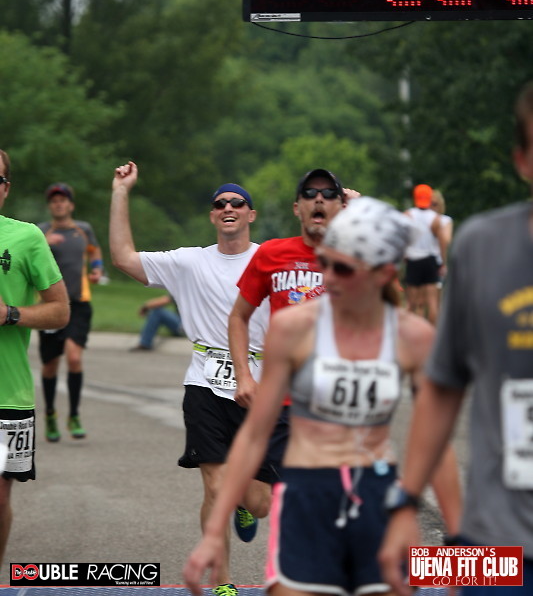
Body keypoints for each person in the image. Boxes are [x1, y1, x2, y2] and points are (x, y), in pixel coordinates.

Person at [183, 196, 461, 596]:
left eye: (342, 268)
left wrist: (456, 538)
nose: (327, 278)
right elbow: (255, 434)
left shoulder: (412, 337)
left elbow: (436, 442)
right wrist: (213, 532)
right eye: (325, 263)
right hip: (305, 497)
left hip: (376, 499)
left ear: (383, 274)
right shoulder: (294, 328)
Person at [379, 81, 533, 596]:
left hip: (422, 266)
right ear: (522, 160)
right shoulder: (483, 245)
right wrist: (405, 504)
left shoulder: (418, 217)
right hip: (501, 547)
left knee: (423, 301)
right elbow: (443, 387)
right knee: (426, 305)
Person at [110, 162, 288, 596]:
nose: (228, 208)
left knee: (259, 504)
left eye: (237, 203)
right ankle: (222, 583)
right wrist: (120, 192)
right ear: (212, 215)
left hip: (260, 387)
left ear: (250, 214)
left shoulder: (270, 259)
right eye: (220, 203)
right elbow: (124, 258)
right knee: (215, 486)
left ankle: (244, 503)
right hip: (205, 383)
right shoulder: (190, 261)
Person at [229, 168, 359, 409]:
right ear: (297, 209)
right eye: (309, 193)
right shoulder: (271, 253)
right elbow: (238, 316)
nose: (318, 199)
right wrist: (243, 376)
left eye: (329, 194)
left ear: (342, 208)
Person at [0, 150, 70, 567]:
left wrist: (10, 314)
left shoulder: (26, 237)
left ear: (6, 189)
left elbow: (60, 311)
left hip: (8, 394)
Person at [38, 182, 103, 442]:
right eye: (54, 201)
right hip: (49, 305)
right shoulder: (41, 231)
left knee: (74, 358)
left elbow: (95, 251)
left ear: (71, 205)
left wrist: (97, 268)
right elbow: (27, 255)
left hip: (78, 303)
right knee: (51, 364)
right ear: (50, 206)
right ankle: (50, 414)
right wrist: (43, 242)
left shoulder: (83, 229)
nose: (58, 204)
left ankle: (74, 415)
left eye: (63, 200)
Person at [403, 183, 446, 325]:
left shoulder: (408, 215)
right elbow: (442, 242)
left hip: (413, 260)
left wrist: (403, 254)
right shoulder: (436, 219)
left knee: (411, 303)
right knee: (433, 304)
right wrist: (443, 262)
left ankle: (407, 332)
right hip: (430, 260)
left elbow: (402, 238)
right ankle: (432, 334)